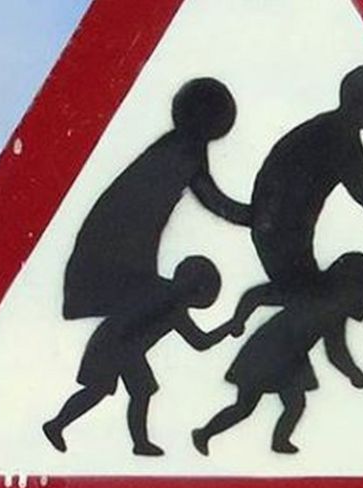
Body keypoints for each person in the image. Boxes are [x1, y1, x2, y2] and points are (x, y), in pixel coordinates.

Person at [241, 64, 363, 310]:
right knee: (311, 302)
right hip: (281, 229)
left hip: (275, 224)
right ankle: (249, 306)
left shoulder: (327, 127)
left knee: (310, 299)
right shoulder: (341, 139)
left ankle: (251, 308)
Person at [63, 77, 250, 322]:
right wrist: (262, 216)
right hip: (113, 266)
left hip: (117, 256)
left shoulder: (175, 144)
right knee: (168, 301)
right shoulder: (185, 150)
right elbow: (216, 202)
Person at [45, 256, 235, 456]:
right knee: (98, 390)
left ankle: (140, 443)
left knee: (141, 391)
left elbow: (200, 342)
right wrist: (228, 328)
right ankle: (57, 425)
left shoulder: (166, 297)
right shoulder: (172, 304)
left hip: (126, 349)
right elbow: (201, 342)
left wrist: (227, 328)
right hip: (112, 344)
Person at [192, 252, 363, 456]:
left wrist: (353, 373)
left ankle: (279, 441)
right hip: (267, 351)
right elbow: (256, 296)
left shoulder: (334, 315)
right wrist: (238, 320)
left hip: (292, 360)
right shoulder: (308, 292)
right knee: (245, 407)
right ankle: (204, 434)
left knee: (295, 404)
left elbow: (336, 352)